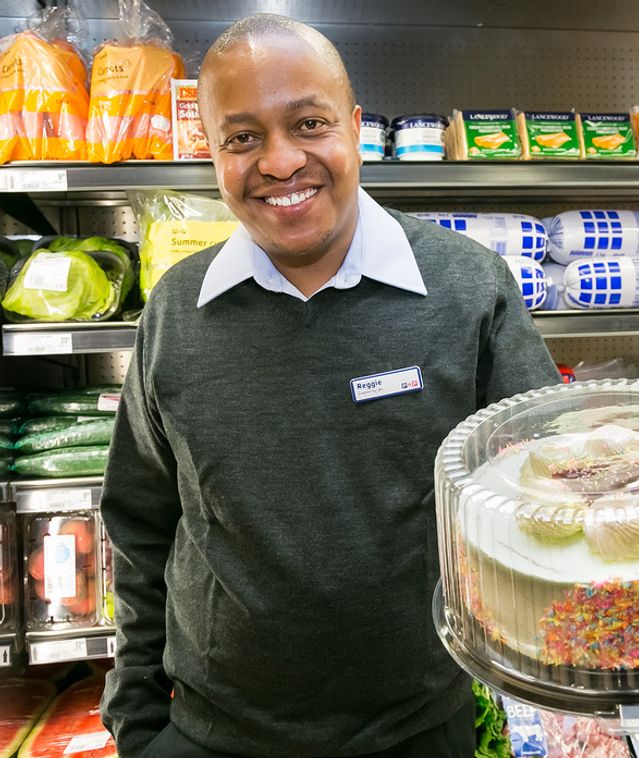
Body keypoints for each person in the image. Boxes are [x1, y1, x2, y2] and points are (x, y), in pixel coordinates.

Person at [99, 13, 560, 758]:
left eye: (308, 124)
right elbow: (142, 525)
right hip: (213, 733)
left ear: (352, 128)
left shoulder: (465, 286)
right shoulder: (177, 311)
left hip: (417, 729)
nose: (280, 162)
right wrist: (139, 724)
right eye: (242, 138)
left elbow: (545, 491)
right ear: (211, 152)